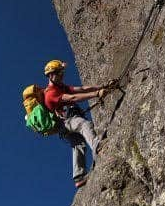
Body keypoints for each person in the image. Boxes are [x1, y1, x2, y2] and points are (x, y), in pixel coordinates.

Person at [42, 59, 116, 188]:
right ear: (51, 75)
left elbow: (81, 89)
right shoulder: (50, 93)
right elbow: (73, 98)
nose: (62, 76)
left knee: (78, 144)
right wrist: (97, 94)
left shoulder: (61, 87)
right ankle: (98, 148)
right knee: (84, 125)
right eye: (60, 74)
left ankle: (79, 177)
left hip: (67, 123)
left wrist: (103, 86)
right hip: (65, 122)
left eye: (62, 74)